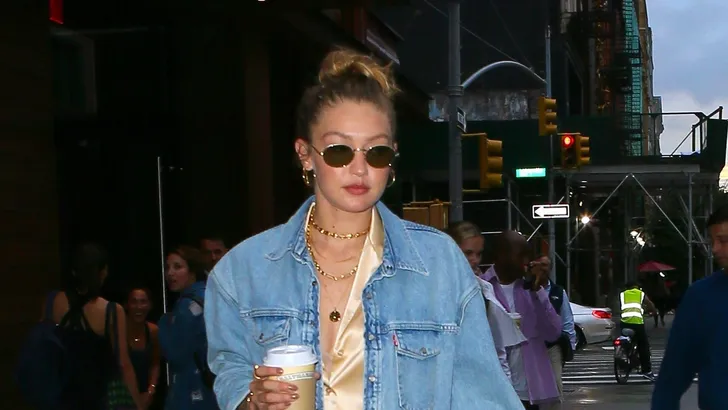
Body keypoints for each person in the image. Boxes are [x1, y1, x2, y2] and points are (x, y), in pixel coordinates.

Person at [204, 49, 522, 410]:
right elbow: (229, 370)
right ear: (305, 154)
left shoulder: (438, 264)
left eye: (376, 153)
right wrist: (250, 400)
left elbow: (482, 396)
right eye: (339, 151)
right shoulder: (242, 272)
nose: (359, 169)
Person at [48, 243, 144, 409]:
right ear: (102, 272)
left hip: (63, 396)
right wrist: (138, 405)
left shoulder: (55, 301)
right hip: (98, 398)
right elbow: (123, 364)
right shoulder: (111, 311)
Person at [651, 205, 728, 409]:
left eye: (723, 241)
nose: (715, 249)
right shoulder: (701, 296)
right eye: (712, 241)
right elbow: (674, 372)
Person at [480, 231, 562, 409]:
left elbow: (553, 333)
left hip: (528, 392)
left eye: (528, 255)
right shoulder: (482, 287)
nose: (526, 261)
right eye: (520, 255)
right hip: (496, 390)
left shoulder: (530, 289)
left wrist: (538, 291)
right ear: (501, 255)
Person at [446, 221, 527, 379]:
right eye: (468, 253)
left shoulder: (484, 290)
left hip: (477, 380)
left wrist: (507, 389)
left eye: (479, 254)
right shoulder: (433, 290)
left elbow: (498, 350)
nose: (475, 260)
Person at [158, 246, 218, 410]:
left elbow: (175, 354)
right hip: (215, 387)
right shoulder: (211, 295)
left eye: (177, 267)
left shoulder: (187, 307)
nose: (170, 273)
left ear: (192, 271)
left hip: (191, 391)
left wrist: (164, 323)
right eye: (167, 267)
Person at [536, 256, 576, 410]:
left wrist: (570, 347)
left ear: (550, 268)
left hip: (553, 346)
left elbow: (567, 320)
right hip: (532, 346)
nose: (543, 268)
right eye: (540, 265)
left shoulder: (558, 292)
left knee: (556, 383)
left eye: (546, 265)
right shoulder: (525, 289)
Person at [125, 288, 161, 409]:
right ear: (127, 305)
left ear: (150, 305)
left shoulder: (153, 331)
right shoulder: (118, 330)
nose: (139, 307)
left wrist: (151, 390)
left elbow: (156, 362)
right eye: (134, 302)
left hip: (145, 398)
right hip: (121, 396)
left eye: (143, 302)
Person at [619, 281, 656, 381]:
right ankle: (647, 371)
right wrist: (654, 311)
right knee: (643, 346)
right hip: (637, 323)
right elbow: (650, 304)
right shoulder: (640, 293)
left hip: (624, 323)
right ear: (636, 287)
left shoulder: (622, 294)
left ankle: (625, 355)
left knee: (624, 340)